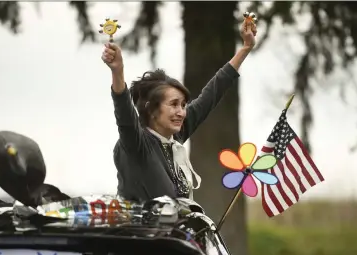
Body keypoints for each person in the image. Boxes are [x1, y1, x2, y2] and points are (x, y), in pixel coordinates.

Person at [101, 19, 257, 202]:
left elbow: (212, 92)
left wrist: (245, 48)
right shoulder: (137, 143)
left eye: (183, 105)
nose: (181, 112)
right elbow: (124, 112)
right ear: (151, 109)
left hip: (178, 230)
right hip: (138, 230)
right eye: (174, 104)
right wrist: (117, 72)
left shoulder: (176, 134)